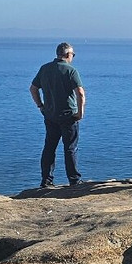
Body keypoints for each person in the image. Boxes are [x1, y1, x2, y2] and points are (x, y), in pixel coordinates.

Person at [30, 42, 85, 188]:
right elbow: (80, 93)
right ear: (67, 55)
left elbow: (33, 89)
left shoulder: (45, 69)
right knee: (70, 148)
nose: (73, 57)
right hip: (69, 115)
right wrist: (80, 113)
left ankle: (46, 181)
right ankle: (74, 180)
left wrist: (40, 106)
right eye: (73, 54)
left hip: (50, 115)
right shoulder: (70, 70)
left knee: (49, 147)